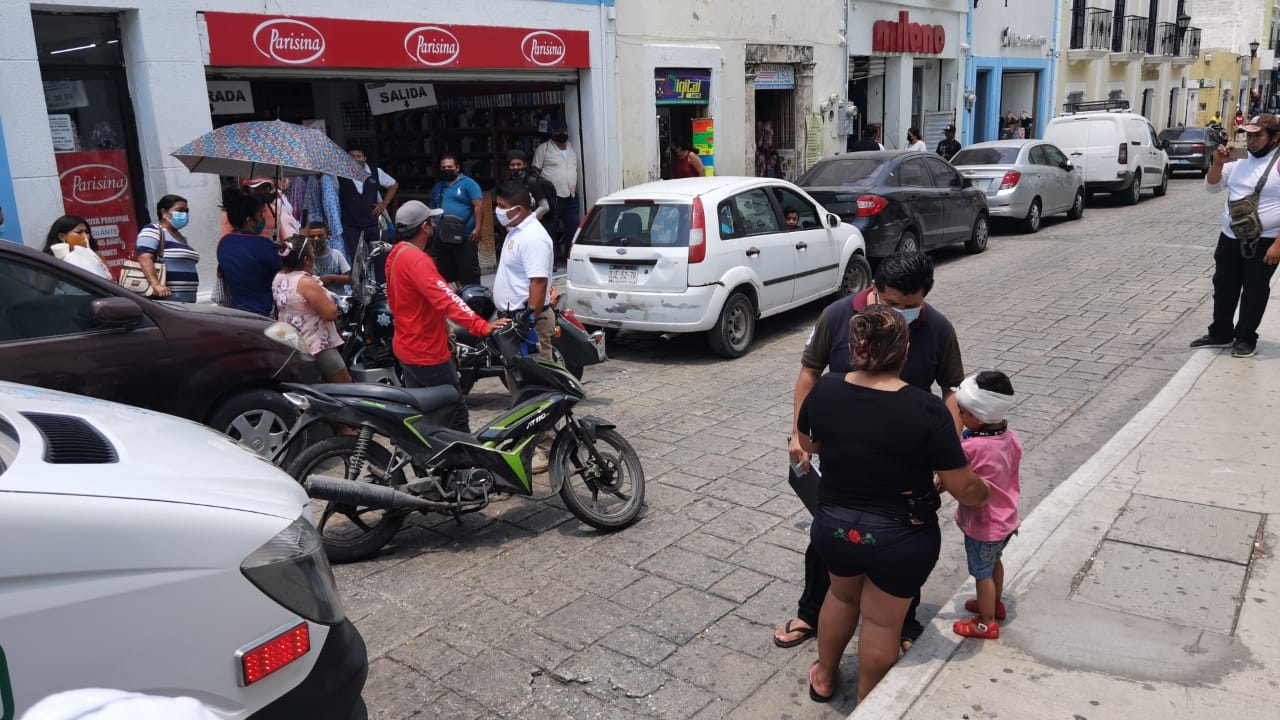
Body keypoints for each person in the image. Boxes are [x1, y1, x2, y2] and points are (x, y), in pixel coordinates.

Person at [775, 251, 965, 653]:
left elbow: (952, 390)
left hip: (906, 458)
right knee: (829, 535)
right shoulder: (839, 316)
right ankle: (811, 611)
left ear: (924, 299)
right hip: (846, 455)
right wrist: (797, 433)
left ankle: (904, 620)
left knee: (907, 542)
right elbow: (810, 372)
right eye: (892, 304)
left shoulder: (939, 329)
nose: (901, 314)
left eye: (911, 308)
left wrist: (947, 451)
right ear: (874, 290)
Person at [798, 306, 989, 703]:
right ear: (904, 352)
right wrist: (986, 491)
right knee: (884, 625)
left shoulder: (826, 390)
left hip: (834, 526)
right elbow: (962, 486)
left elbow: (810, 444)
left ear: (854, 348)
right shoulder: (927, 409)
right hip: (900, 535)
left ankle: (825, 678)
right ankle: (869, 703)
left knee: (840, 596)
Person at [385, 200, 508, 432]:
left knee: (425, 414)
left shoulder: (396, 254)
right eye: (431, 221)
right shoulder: (418, 260)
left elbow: (394, 298)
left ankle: (429, 462)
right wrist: (481, 326)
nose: (434, 224)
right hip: (427, 351)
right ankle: (462, 465)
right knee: (456, 412)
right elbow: (447, 299)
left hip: (407, 346)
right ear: (424, 227)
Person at [1192, 113, 1280, 358]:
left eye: (1258, 135)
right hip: (1230, 236)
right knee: (1224, 286)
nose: (1251, 141)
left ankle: (1246, 338)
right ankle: (1220, 333)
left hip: (1265, 240)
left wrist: (1278, 245)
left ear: (1275, 138)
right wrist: (1218, 163)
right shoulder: (1238, 157)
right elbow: (1211, 187)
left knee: (1254, 290)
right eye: (1248, 135)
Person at [951, 371, 1022, 640]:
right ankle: (994, 603)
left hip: (984, 525)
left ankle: (986, 622)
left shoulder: (974, 448)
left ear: (979, 417)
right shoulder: (1010, 437)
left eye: (963, 412)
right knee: (994, 563)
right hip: (1006, 519)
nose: (959, 416)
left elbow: (957, 476)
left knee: (982, 573)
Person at [272, 235, 351, 383]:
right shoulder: (305, 281)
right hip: (315, 345)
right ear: (307, 260)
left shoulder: (279, 277)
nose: (314, 256)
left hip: (289, 341)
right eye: (312, 253)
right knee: (345, 385)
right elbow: (330, 313)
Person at [493, 179, 555, 355]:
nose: (497, 210)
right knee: (516, 377)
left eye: (501, 206)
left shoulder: (533, 237)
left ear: (518, 210)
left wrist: (528, 323)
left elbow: (538, 283)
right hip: (512, 318)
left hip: (527, 322)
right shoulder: (515, 230)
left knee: (535, 379)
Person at [216, 194, 280, 316]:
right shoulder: (263, 245)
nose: (262, 220)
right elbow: (283, 271)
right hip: (266, 311)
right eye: (260, 216)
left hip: (238, 310)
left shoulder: (223, 243)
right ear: (249, 220)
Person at [429, 153, 483, 285]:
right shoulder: (438, 187)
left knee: (468, 272)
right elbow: (432, 208)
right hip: (443, 236)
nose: (446, 169)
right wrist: (432, 223)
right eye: (443, 167)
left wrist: (478, 228)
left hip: (465, 235)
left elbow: (479, 206)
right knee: (447, 274)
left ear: (457, 168)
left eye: (449, 166)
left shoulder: (469, 184)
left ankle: (471, 300)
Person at [136, 194, 200, 302]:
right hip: (168, 300)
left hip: (188, 300)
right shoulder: (153, 230)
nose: (184, 214)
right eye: (180, 210)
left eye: (186, 211)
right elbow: (144, 258)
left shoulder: (181, 237)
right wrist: (156, 284)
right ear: (164, 212)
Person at [498, 149, 556, 266]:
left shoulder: (533, 182)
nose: (515, 167)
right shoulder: (507, 184)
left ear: (525, 165)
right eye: (512, 165)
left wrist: (528, 219)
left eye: (518, 164)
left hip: (538, 223)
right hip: (516, 226)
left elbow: (545, 206)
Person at [532, 119, 580, 261]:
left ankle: (569, 257)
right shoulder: (544, 148)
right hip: (552, 198)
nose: (562, 133)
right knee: (549, 230)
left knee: (574, 227)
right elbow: (535, 170)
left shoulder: (572, 148)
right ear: (552, 132)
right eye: (558, 131)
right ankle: (550, 260)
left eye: (564, 130)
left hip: (571, 196)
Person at [339, 146, 398, 262]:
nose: (355, 159)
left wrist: (384, 204)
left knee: (380, 259)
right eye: (351, 157)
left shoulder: (375, 172)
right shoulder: (340, 175)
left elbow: (394, 184)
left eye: (358, 156)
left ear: (365, 158)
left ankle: (380, 280)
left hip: (373, 225)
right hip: (351, 226)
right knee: (356, 261)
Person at [218, 178, 297, 240]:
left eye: (265, 187)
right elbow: (229, 242)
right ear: (246, 190)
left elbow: (288, 238)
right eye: (257, 188)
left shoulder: (276, 209)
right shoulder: (232, 214)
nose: (262, 191)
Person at [42, 215, 110, 279]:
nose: (85, 236)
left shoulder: (96, 256)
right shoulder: (50, 261)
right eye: (79, 232)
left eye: (86, 232)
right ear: (62, 236)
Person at [305, 220, 351, 294]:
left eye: (320, 236)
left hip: (337, 300)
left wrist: (332, 278)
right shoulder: (305, 259)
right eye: (312, 237)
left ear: (327, 237)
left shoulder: (336, 254)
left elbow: (350, 279)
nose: (316, 239)